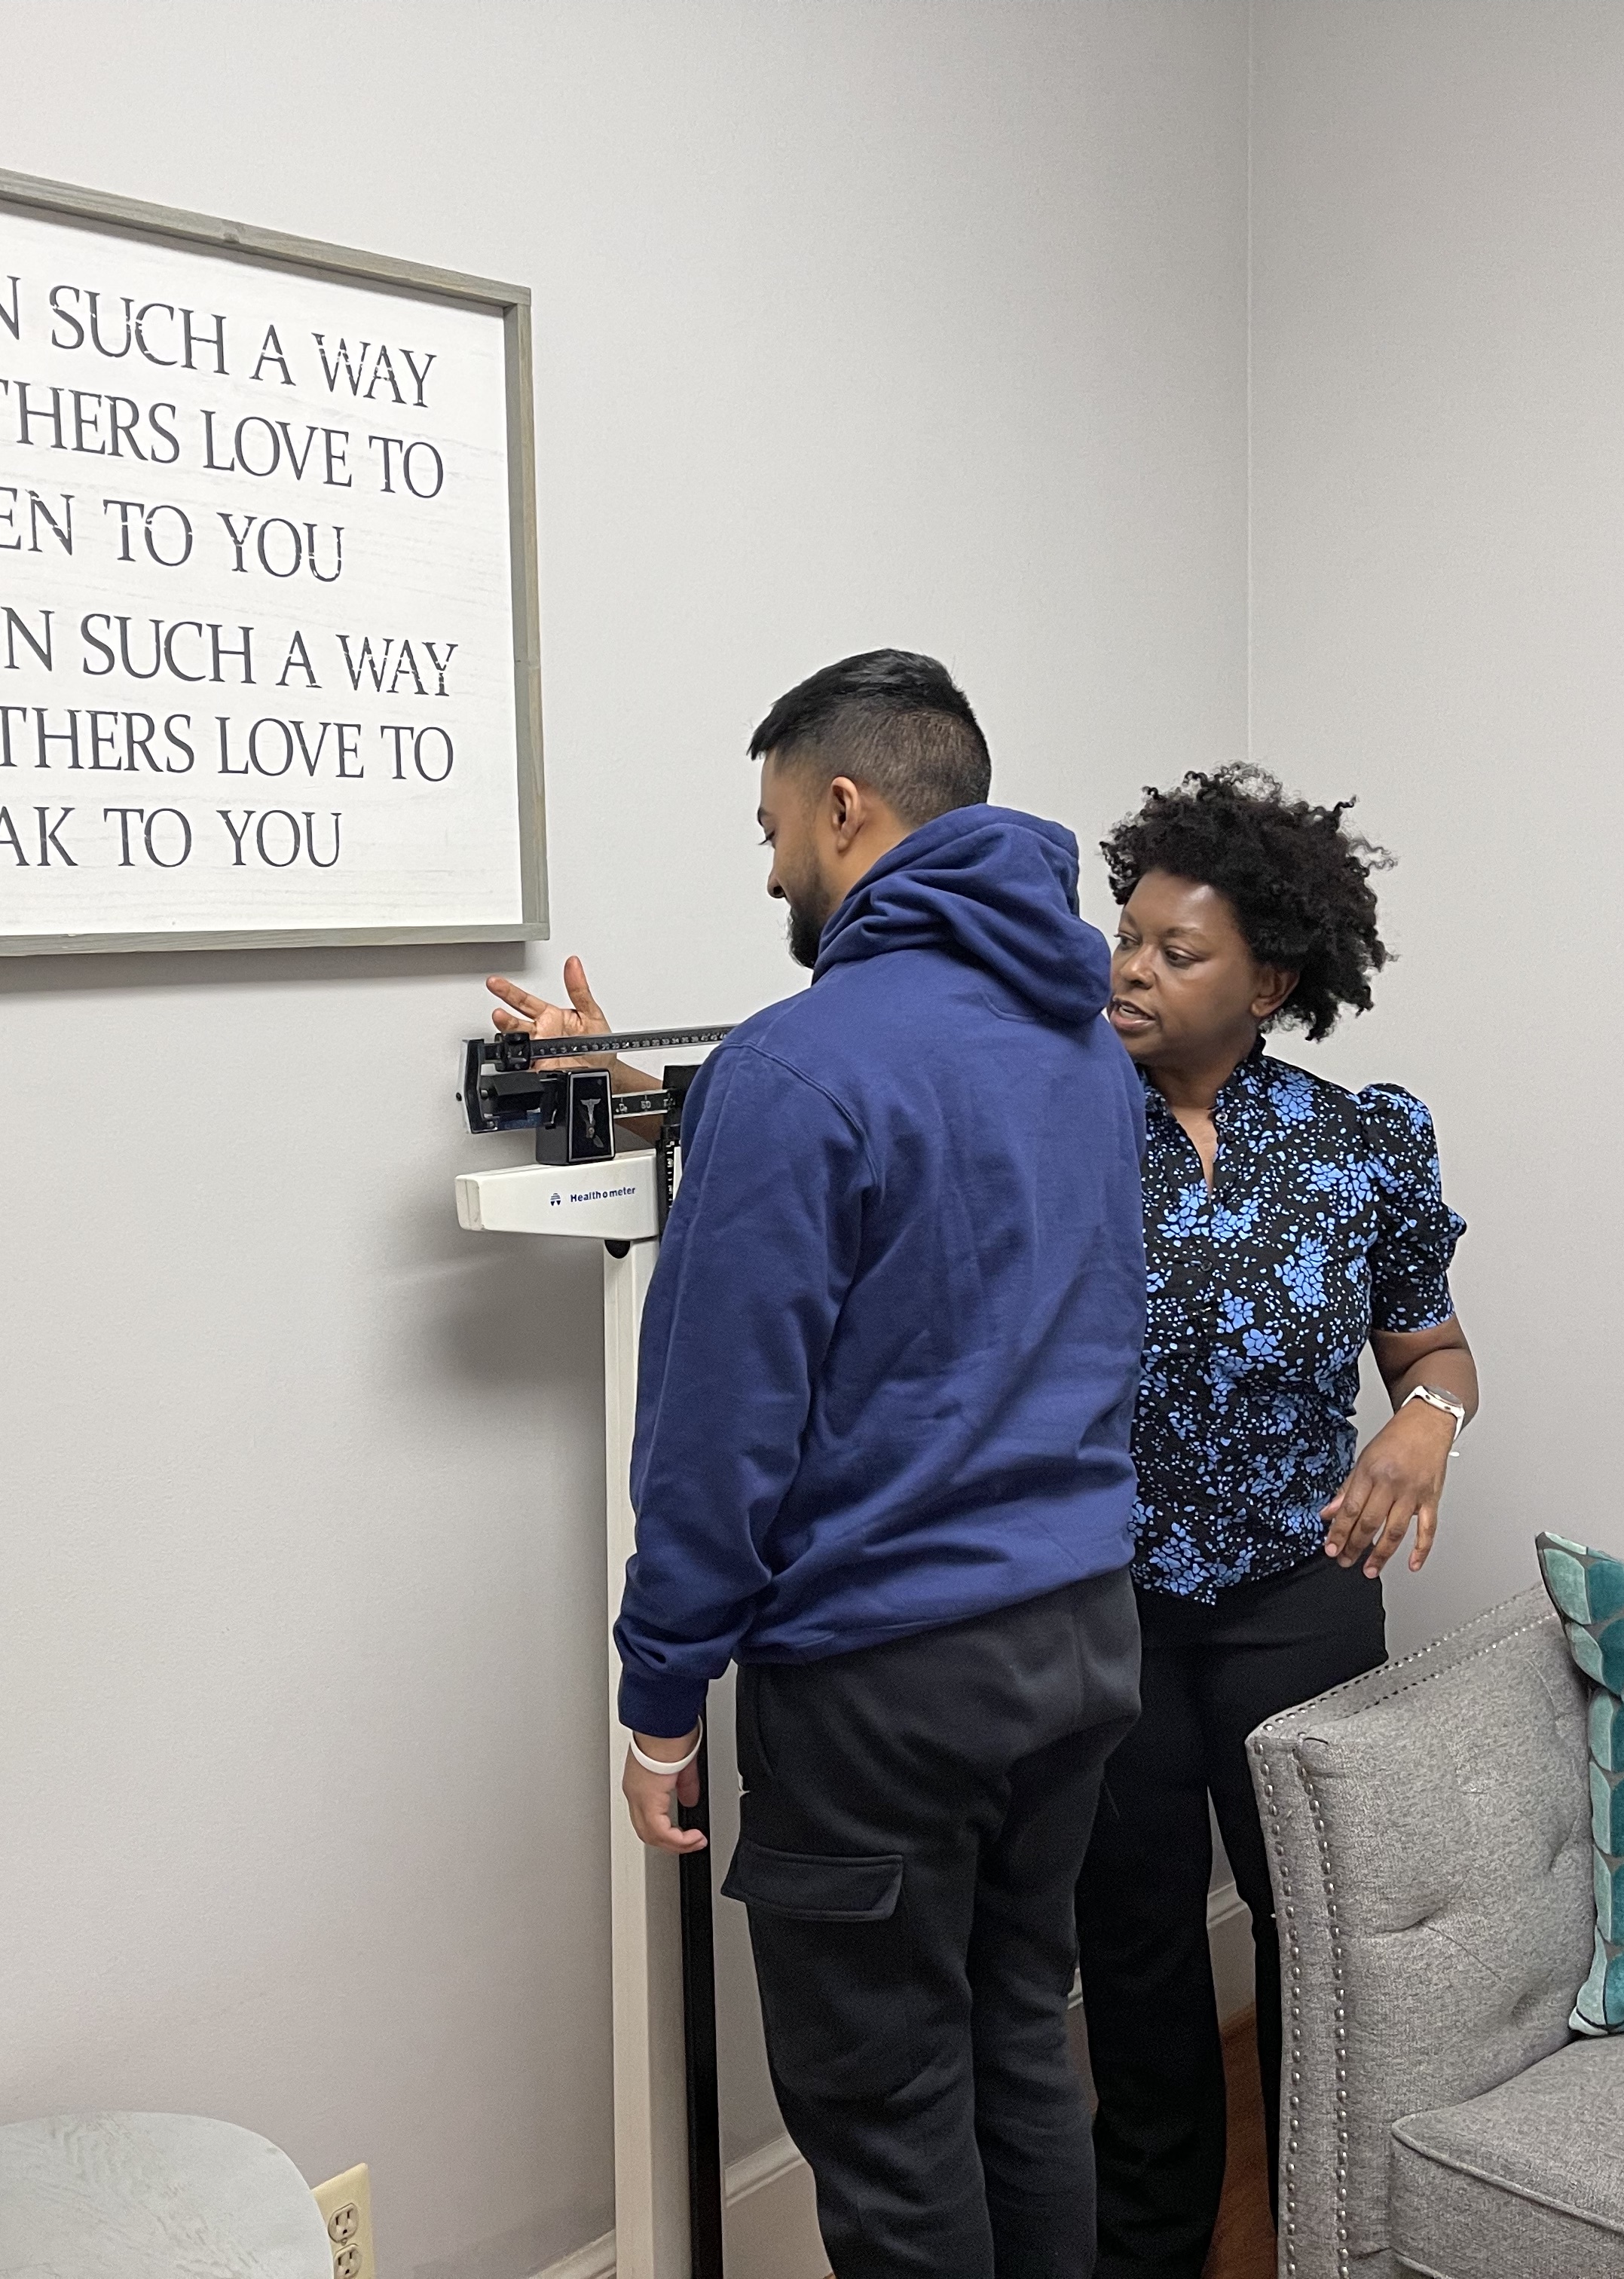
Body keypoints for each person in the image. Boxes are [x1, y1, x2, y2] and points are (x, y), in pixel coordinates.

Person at [485, 650, 1153, 2279]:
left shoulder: (805, 1066)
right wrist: (648, 1102)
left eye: (775, 822)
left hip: (886, 1687)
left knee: (889, 2110)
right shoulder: (1078, 1044)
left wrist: (657, 1702)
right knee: (1015, 2043)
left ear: (845, 805)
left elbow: (718, 1440)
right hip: (1078, 1641)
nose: (771, 861)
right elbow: (928, 1201)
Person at [1071, 763, 1479, 2279]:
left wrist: (1425, 1429)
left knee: (1321, 1945)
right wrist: (640, 1097)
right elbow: (855, 1117)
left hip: (1295, 1605)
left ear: (1272, 983)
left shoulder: (1358, 1144)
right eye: (1129, 934)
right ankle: (1154, 2249)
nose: (1133, 965)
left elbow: (1431, 1350)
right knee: (1135, 1953)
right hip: (1093, 1610)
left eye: (1179, 951)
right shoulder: (1049, 1120)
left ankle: (1328, 2237)